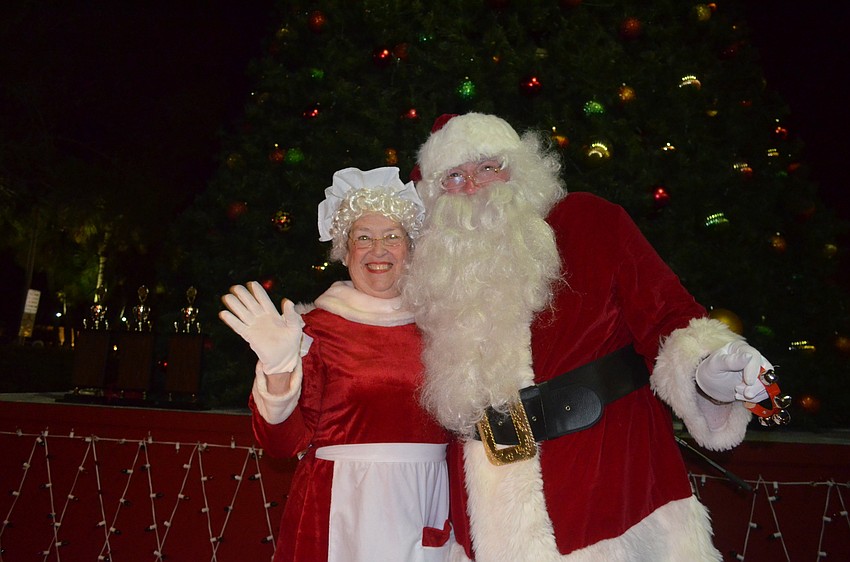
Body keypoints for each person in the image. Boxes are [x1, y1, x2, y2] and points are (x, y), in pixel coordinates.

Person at [402, 113, 786, 561]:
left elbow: (669, 316)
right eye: (454, 177)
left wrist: (709, 370)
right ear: (435, 194)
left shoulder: (589, 222)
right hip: (481, 524)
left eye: (488, 167)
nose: (474, 186)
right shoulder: (430, 276)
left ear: (522, 169)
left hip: (612, 500)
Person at [219, 167, 453, 562]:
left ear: (411, 249)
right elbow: (281, 445)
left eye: (392, 237)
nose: (378, 250)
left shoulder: (443, 327)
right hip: (339, 510)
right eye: (363, 238)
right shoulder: (315, 330)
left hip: (425, 502)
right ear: (345, 252)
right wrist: (278, 372)